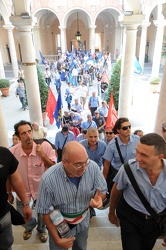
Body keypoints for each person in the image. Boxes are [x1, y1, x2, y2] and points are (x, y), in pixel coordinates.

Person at [36, 141, 107, 250]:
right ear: (64, 162)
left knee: (81, 247)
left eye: (86, 162)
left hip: (83, 223)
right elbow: (45, 212)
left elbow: (102, 191)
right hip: (59, 225)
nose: (84, 168)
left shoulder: (92, 168)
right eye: (78, 164)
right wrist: (57, 239)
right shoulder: (48, 179)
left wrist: (100, 199)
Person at [109, 133, 166, 249]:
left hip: (156, 221)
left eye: (144, 155)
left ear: (160, 157)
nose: (137, 158)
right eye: (137, 151)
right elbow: (116, 190)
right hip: (131, 219)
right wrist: (111, 212)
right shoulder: (128, 169)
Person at [10, 120, 56, 243]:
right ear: (18, 136)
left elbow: (54, 168)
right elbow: (9, 175)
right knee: (21, 217)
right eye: (23, 133)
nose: (28, 135)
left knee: (42, 214)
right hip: (22, 191)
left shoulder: (45, 147)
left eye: (29, 131)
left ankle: (42, 229)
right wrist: (9, 192)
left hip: (41, 190)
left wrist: (43, 155)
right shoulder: (12, 152)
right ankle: (30, 226)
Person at [0, 146, 32, 250]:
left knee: (7, 245)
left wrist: (25, 204)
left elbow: (15, 179)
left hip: (3, 216)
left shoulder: (3, 153)